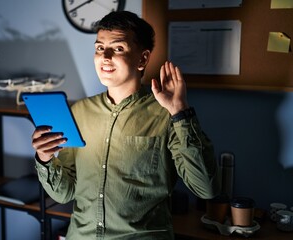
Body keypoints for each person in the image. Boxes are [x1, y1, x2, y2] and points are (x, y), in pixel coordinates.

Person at [31, 11, 220, 240]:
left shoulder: (168, 114)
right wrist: (44, 159)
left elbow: (206, 189)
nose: (105, 56)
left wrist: (180, 112)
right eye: (100, 48)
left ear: (142, 59)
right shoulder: (79, 111)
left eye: (117, 48)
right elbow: (65, 193)